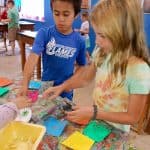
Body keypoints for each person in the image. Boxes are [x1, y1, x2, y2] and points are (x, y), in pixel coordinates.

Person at [43, 0, 150, 147]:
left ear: (123, 33)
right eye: (96, 34)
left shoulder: (139, 70)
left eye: (102, 36)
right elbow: (86, 78)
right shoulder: (101, 52)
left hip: (116, 131)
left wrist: (94, 112)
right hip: (96, 122)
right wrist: (62, 86)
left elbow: (133, 117)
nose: (97, 41)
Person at [20, 0, 86, 101]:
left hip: (66, 89)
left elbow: (81, 66)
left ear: (76, 14)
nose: (61, 19)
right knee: (45, 111)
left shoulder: (80, 41)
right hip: (46, 86)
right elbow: (32, 59)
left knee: (63, 114)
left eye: (66, 14)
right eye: (56, 13)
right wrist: (25, 84)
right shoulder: (44, 34)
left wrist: (70, 83)